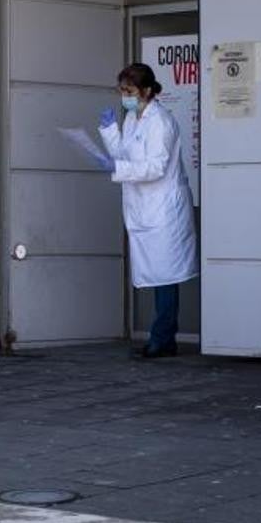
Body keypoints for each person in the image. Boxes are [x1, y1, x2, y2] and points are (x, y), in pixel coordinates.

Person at [96, 63, 198, 359]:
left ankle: (163, 339)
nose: (124, 97)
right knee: (155, 273)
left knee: (165, 276)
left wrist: (118, 168)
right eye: (121, 91)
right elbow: (125, 155)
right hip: (143, 208)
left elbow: (155, 167)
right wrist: (109, 133)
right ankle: (161, 337)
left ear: (147, 91)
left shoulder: (161, 122)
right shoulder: (132, 117)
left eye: (129, 91)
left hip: (163, 210)